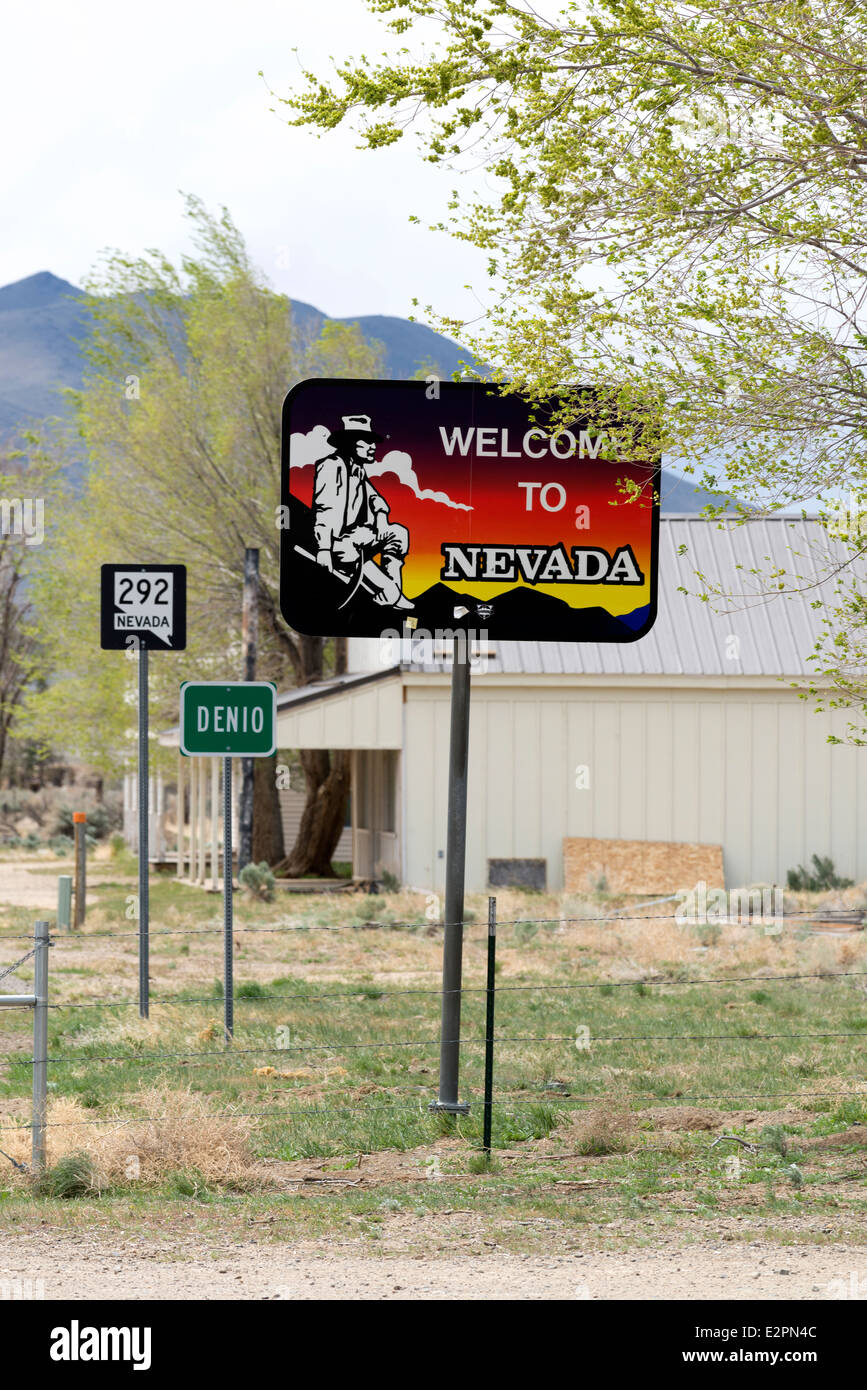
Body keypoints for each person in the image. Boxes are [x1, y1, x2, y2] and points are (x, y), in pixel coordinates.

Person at [312, 413, 414, 611]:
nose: (373, 447)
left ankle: (392, 592)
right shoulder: (331, 467)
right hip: (338, 543)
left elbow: (376, 499)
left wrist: (382, 520)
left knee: (398, 533)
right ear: (350, 443)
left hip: (360, 536)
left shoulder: (359, 470)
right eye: (366, 442)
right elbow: (324, 509)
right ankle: (390, 593)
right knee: (351, 551)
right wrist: (324, 549)